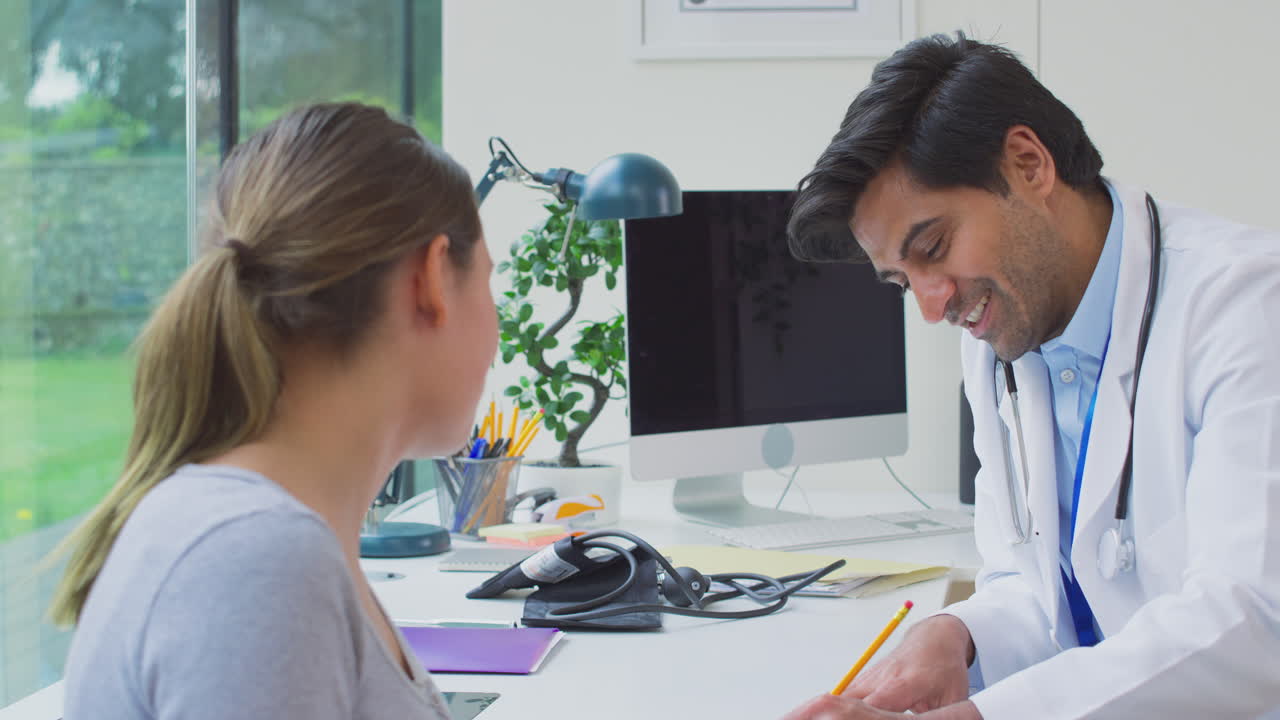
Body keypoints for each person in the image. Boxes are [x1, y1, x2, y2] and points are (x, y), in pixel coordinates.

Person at [782, 33, 1280, 720]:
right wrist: (957, 638)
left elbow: (1254, 622)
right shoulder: (1000, 337)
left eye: (933, 247)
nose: (933, 305)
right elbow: (1032, 584)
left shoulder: (1250, 303)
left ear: (1028, 163)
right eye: (902, 282)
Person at [50, 102, 498, 719]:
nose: (496, 335)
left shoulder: (267, 539)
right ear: (432, 279)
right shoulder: (260, 561)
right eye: (490, 282)